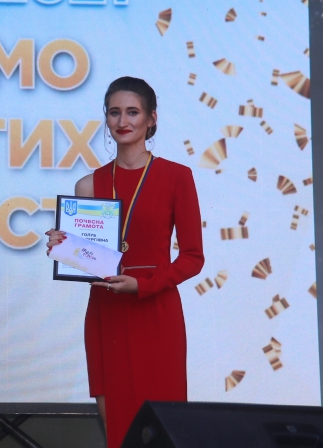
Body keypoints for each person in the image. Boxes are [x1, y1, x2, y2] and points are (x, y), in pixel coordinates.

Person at [46, 76, 204, 448]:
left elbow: (193, 258)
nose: (123, 121)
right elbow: (89, 260)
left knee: (160, 431)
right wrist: (64, 247)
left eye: (132, 112)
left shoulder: (177, 177)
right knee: (118, 430)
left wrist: (143, 285)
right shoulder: (89, 185)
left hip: (155, 310)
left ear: (151, 118)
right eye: (114, 112)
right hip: (108, 311)